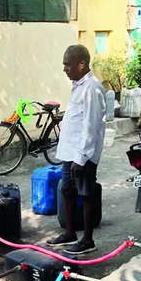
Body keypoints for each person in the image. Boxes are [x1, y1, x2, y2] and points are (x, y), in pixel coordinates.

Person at [47, 44, 110, 255]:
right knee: (67, 190)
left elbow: (91, 126)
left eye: (68, 64)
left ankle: (88, 240)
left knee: (87, 194)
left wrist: (82, 158)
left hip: (83, 154)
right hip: (70, 153)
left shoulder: (92, 88)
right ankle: (70, 233)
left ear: (82, 64)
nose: (65, 69)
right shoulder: (79, 85)